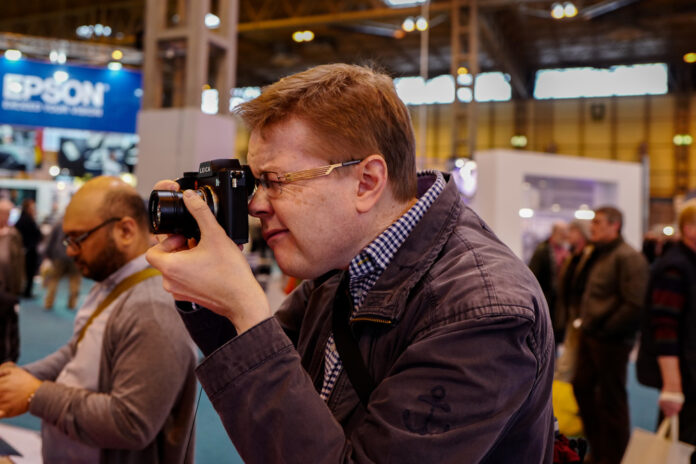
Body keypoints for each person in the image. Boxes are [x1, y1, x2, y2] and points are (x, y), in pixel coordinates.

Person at [147, 63, 555, 463]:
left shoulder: (483, 311)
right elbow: (276, 407)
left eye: (275, 181)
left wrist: (247, 310)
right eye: (255, 183)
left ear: (367, 182)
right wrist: (205, 293)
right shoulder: (340, 268)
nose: (255, 205)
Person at [0, 177, 197, 464]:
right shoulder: (114, 283)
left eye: (78, 238)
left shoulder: (153, 308)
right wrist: (20, 378)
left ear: (125, 231)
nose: (70, 250)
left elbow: (131, 423)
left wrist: (36, 394)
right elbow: (78, 350)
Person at [571, 206, 648, 464]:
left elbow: (635, 303)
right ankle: (600, 450)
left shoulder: (629, 257)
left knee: (611, 399)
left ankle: (614, 456)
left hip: (612, 341)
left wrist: (606, 329)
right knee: (583, 388)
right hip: (591, 335)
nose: (592, 227)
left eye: (598, 222)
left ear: (615, 225)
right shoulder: (598, 254)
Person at [637, 199, 696, 445]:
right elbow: (664, 328)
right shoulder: (675, 267)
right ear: (689, 229)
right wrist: (672, 386)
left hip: (689, 370)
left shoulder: (687, 262)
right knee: (679, 444)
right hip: (684, 376)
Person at [555, 220, 592, 381]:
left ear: (581, 233)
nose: (567, 235)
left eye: (572, 231)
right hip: (571, 312)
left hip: (583, 314)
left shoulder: (589, 256)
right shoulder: (573, 256)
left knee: (568, 362)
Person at [529, 220, 569, 345]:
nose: (565, 235)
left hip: (559, 303)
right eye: (562, 232)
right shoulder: (542, 250)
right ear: (554, 232)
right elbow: (533, 275)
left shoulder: (566, 250)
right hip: (546, 299)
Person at [0, 199, 23, 363]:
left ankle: (8, 360)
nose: (5, 217)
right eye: (3, 213)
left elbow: (18, 262)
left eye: (8, 214)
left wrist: (17, 287)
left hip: (8, 288)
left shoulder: (14, 235)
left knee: (8, 328)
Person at [42, 217, 82, 310]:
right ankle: (72, 304)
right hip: (73, 256)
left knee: (54, 280)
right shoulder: (79, 225)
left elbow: (51, 240)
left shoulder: (59, 224)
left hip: (59, 256)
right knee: (75, 281)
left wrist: (48, 255)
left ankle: (49, 303)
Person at [14, 198, 42, 298]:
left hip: (29, 250)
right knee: (28, 272)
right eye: (32, 207)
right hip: (27, 251)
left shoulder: (27, 219)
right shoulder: (26, 220)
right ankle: (26, 292)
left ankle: (26, 291)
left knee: (28, 273)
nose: (34, 209)